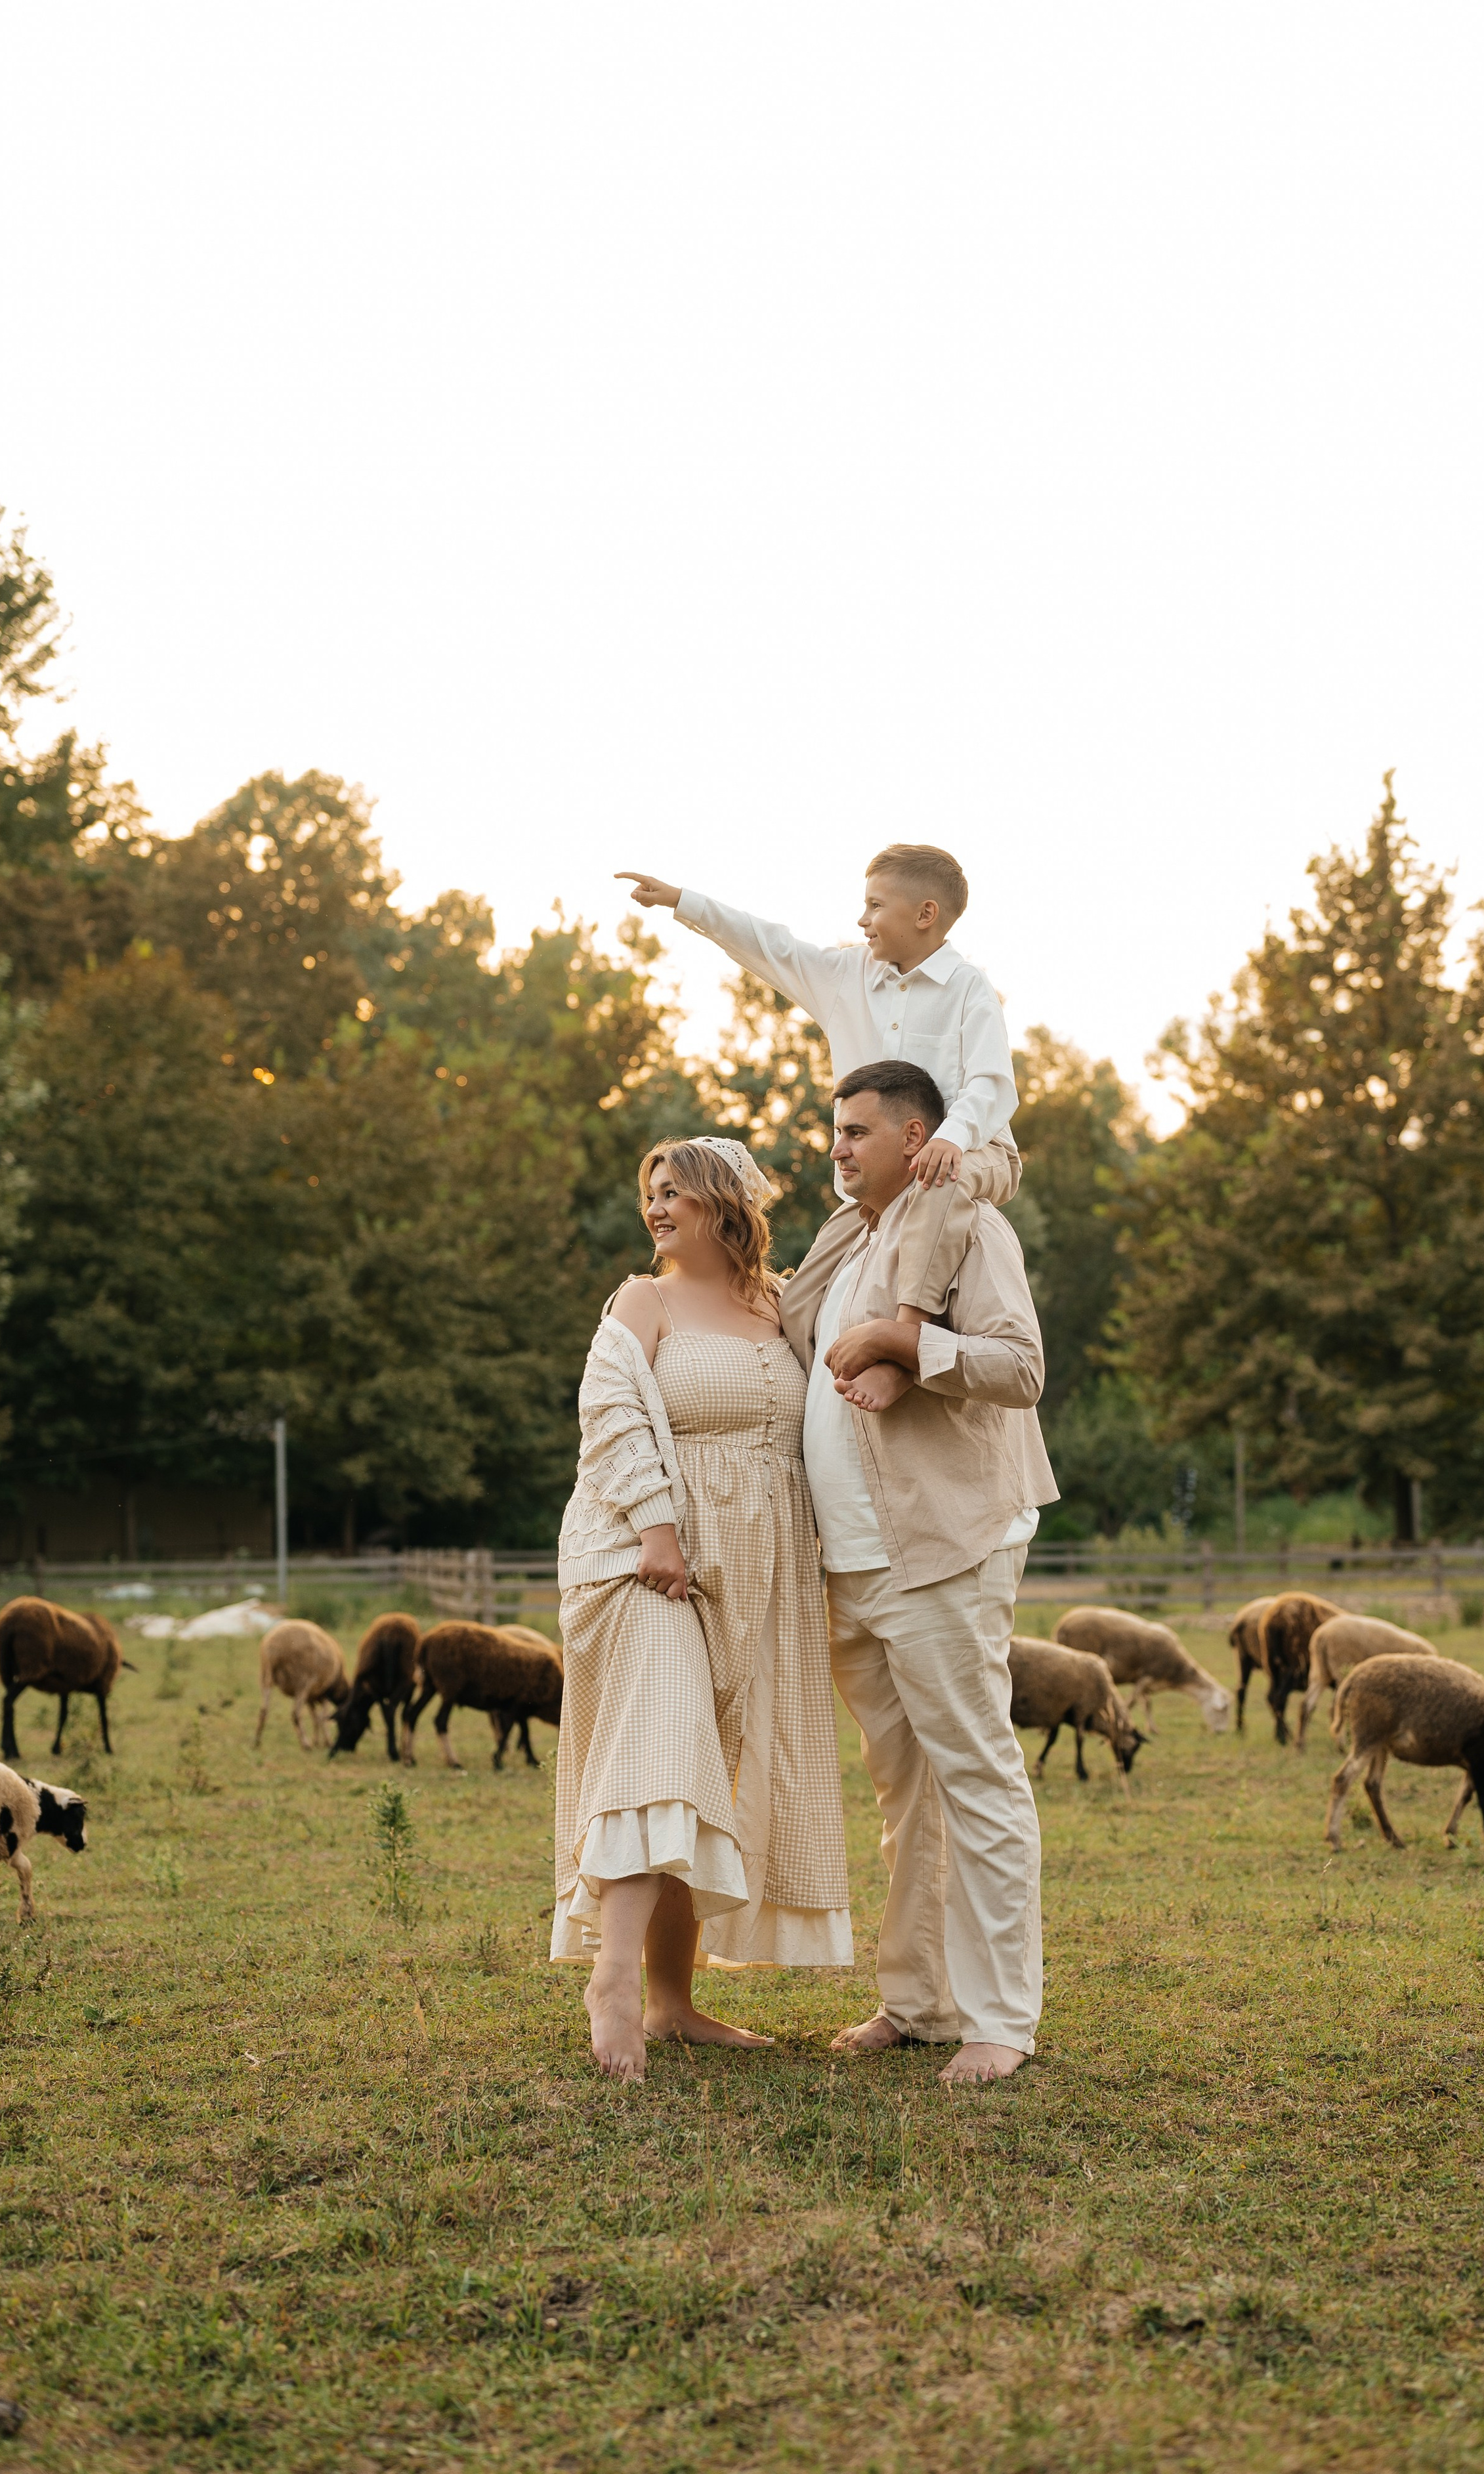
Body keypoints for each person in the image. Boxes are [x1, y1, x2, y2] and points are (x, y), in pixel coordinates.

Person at [780, 1059, 1059, 2086]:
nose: (838, 1147)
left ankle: (1001, 2021)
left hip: (939, 1548)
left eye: (856, 1130)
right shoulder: (845, 1242)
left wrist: (911, 1342)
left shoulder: (972, 1229)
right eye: (835, 1130)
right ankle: (920, 2000)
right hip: (848, 1561)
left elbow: (1020, 1367)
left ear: (914, 1135)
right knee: (905, 1790)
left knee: (977, 1777)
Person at [552, 1135, 852, 2082]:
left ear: (726, 1200)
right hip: (644, 1557)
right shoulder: (643, 1300)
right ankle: (612, 1980)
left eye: (675, 1190)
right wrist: (657, 1530)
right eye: (651, 1192)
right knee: (663, 1742)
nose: (657, 1208)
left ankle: (675, 2004)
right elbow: (610, 1412)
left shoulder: (778, 1305)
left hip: (758, 1566)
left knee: (708, 1768)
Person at [616, 847, 1017, 1412]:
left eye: (875, 906)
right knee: (802, 1298)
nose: (862, 919)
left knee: (938, 1186)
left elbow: (992, 1081)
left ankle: (902, 1345)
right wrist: (685, 902)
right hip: (880, 1183)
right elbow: (770, 945)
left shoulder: (967, 987)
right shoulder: (844, 976)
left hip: (969, 1153)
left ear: (925, 914)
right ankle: (810, 1412)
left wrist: (952, 1135)